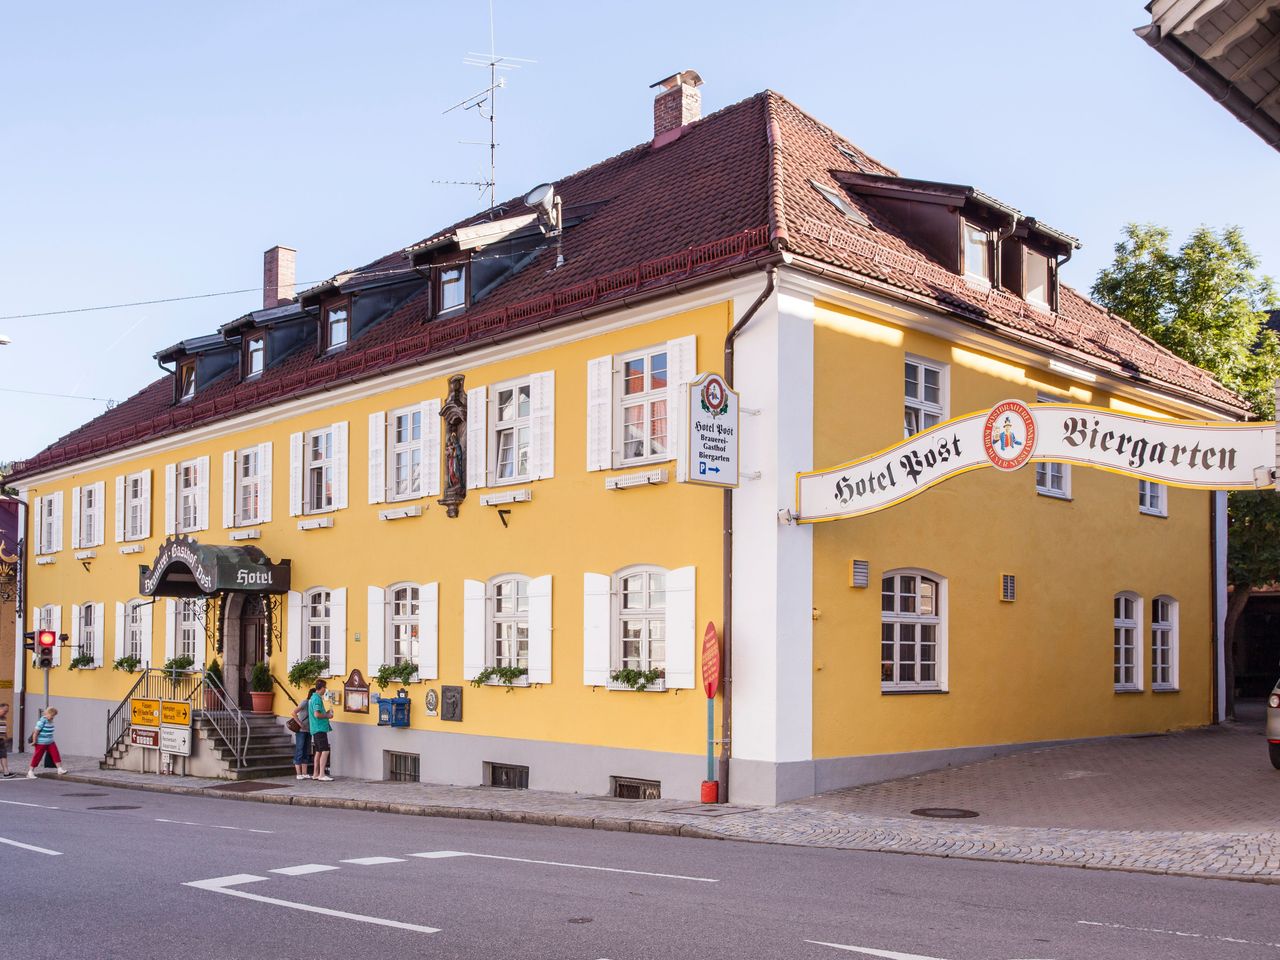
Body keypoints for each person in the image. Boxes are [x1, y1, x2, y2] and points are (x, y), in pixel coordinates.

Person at [27, 707, 66, 778]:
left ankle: (59, 769)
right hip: (41, 742)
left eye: (54, 715)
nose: (53, 717)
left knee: (55, 754)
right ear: (47, 714)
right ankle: (30, 772)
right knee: (37, 756)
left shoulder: (50, 721)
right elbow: (36, 732)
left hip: (50, 742)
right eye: (52, 715)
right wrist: (34, 741)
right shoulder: (41, 721)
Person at [308, 680, 334, 782]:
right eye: (325, 688)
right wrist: (327, 715)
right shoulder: (317, 699)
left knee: (318, 751)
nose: (325, 690)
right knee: (325, 750)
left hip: (315, 728)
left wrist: (326, 713)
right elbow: (317, 714)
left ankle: (315, 773)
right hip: (319, 728)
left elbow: (318, 713)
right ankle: (322, 774)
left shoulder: (313, 698)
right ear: (322, 688)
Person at [291, 687, 314, 780]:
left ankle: (304, 773)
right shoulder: (305, 702)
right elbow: (293, 712)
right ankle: (298, 773)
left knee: (307, 751)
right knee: (299, 750)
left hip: (309, 730)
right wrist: (300, 723)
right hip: (301, 731)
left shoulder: (313, 704)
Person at [0, 703, 13, 778]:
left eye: (7, 711)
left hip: (1, 740)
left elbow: (3, 729)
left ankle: (6, 772)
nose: (6, 712)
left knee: (4, 755)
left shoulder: (4, 718)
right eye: (5, 711)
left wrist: (6, 738)